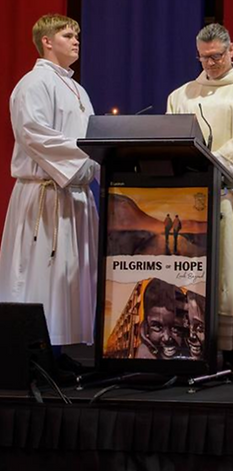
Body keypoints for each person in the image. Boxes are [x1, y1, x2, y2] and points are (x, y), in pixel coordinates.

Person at [167, 23, 233, 374]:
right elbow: (171, 139)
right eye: (204, 57)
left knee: (231, 269)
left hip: (232, 195)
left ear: (232, 50)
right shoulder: (181, 95)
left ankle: (232, 350)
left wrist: (213, 164)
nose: (211, 63)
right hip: (194, 197)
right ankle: (188, 344)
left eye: (217, 56)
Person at [0, 14, 98, 362]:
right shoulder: (34, 83)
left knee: (65, 277)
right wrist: (84, 162)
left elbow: (89, 138)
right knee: (40, 275)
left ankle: (56, 349)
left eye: (77, 35)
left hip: (71, 194)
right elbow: (33, 133)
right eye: (68, 35)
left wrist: (102, 160)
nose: (76, 41)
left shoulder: (76, 88)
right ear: (46, 41)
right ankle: (36, 353)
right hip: (44, 193)